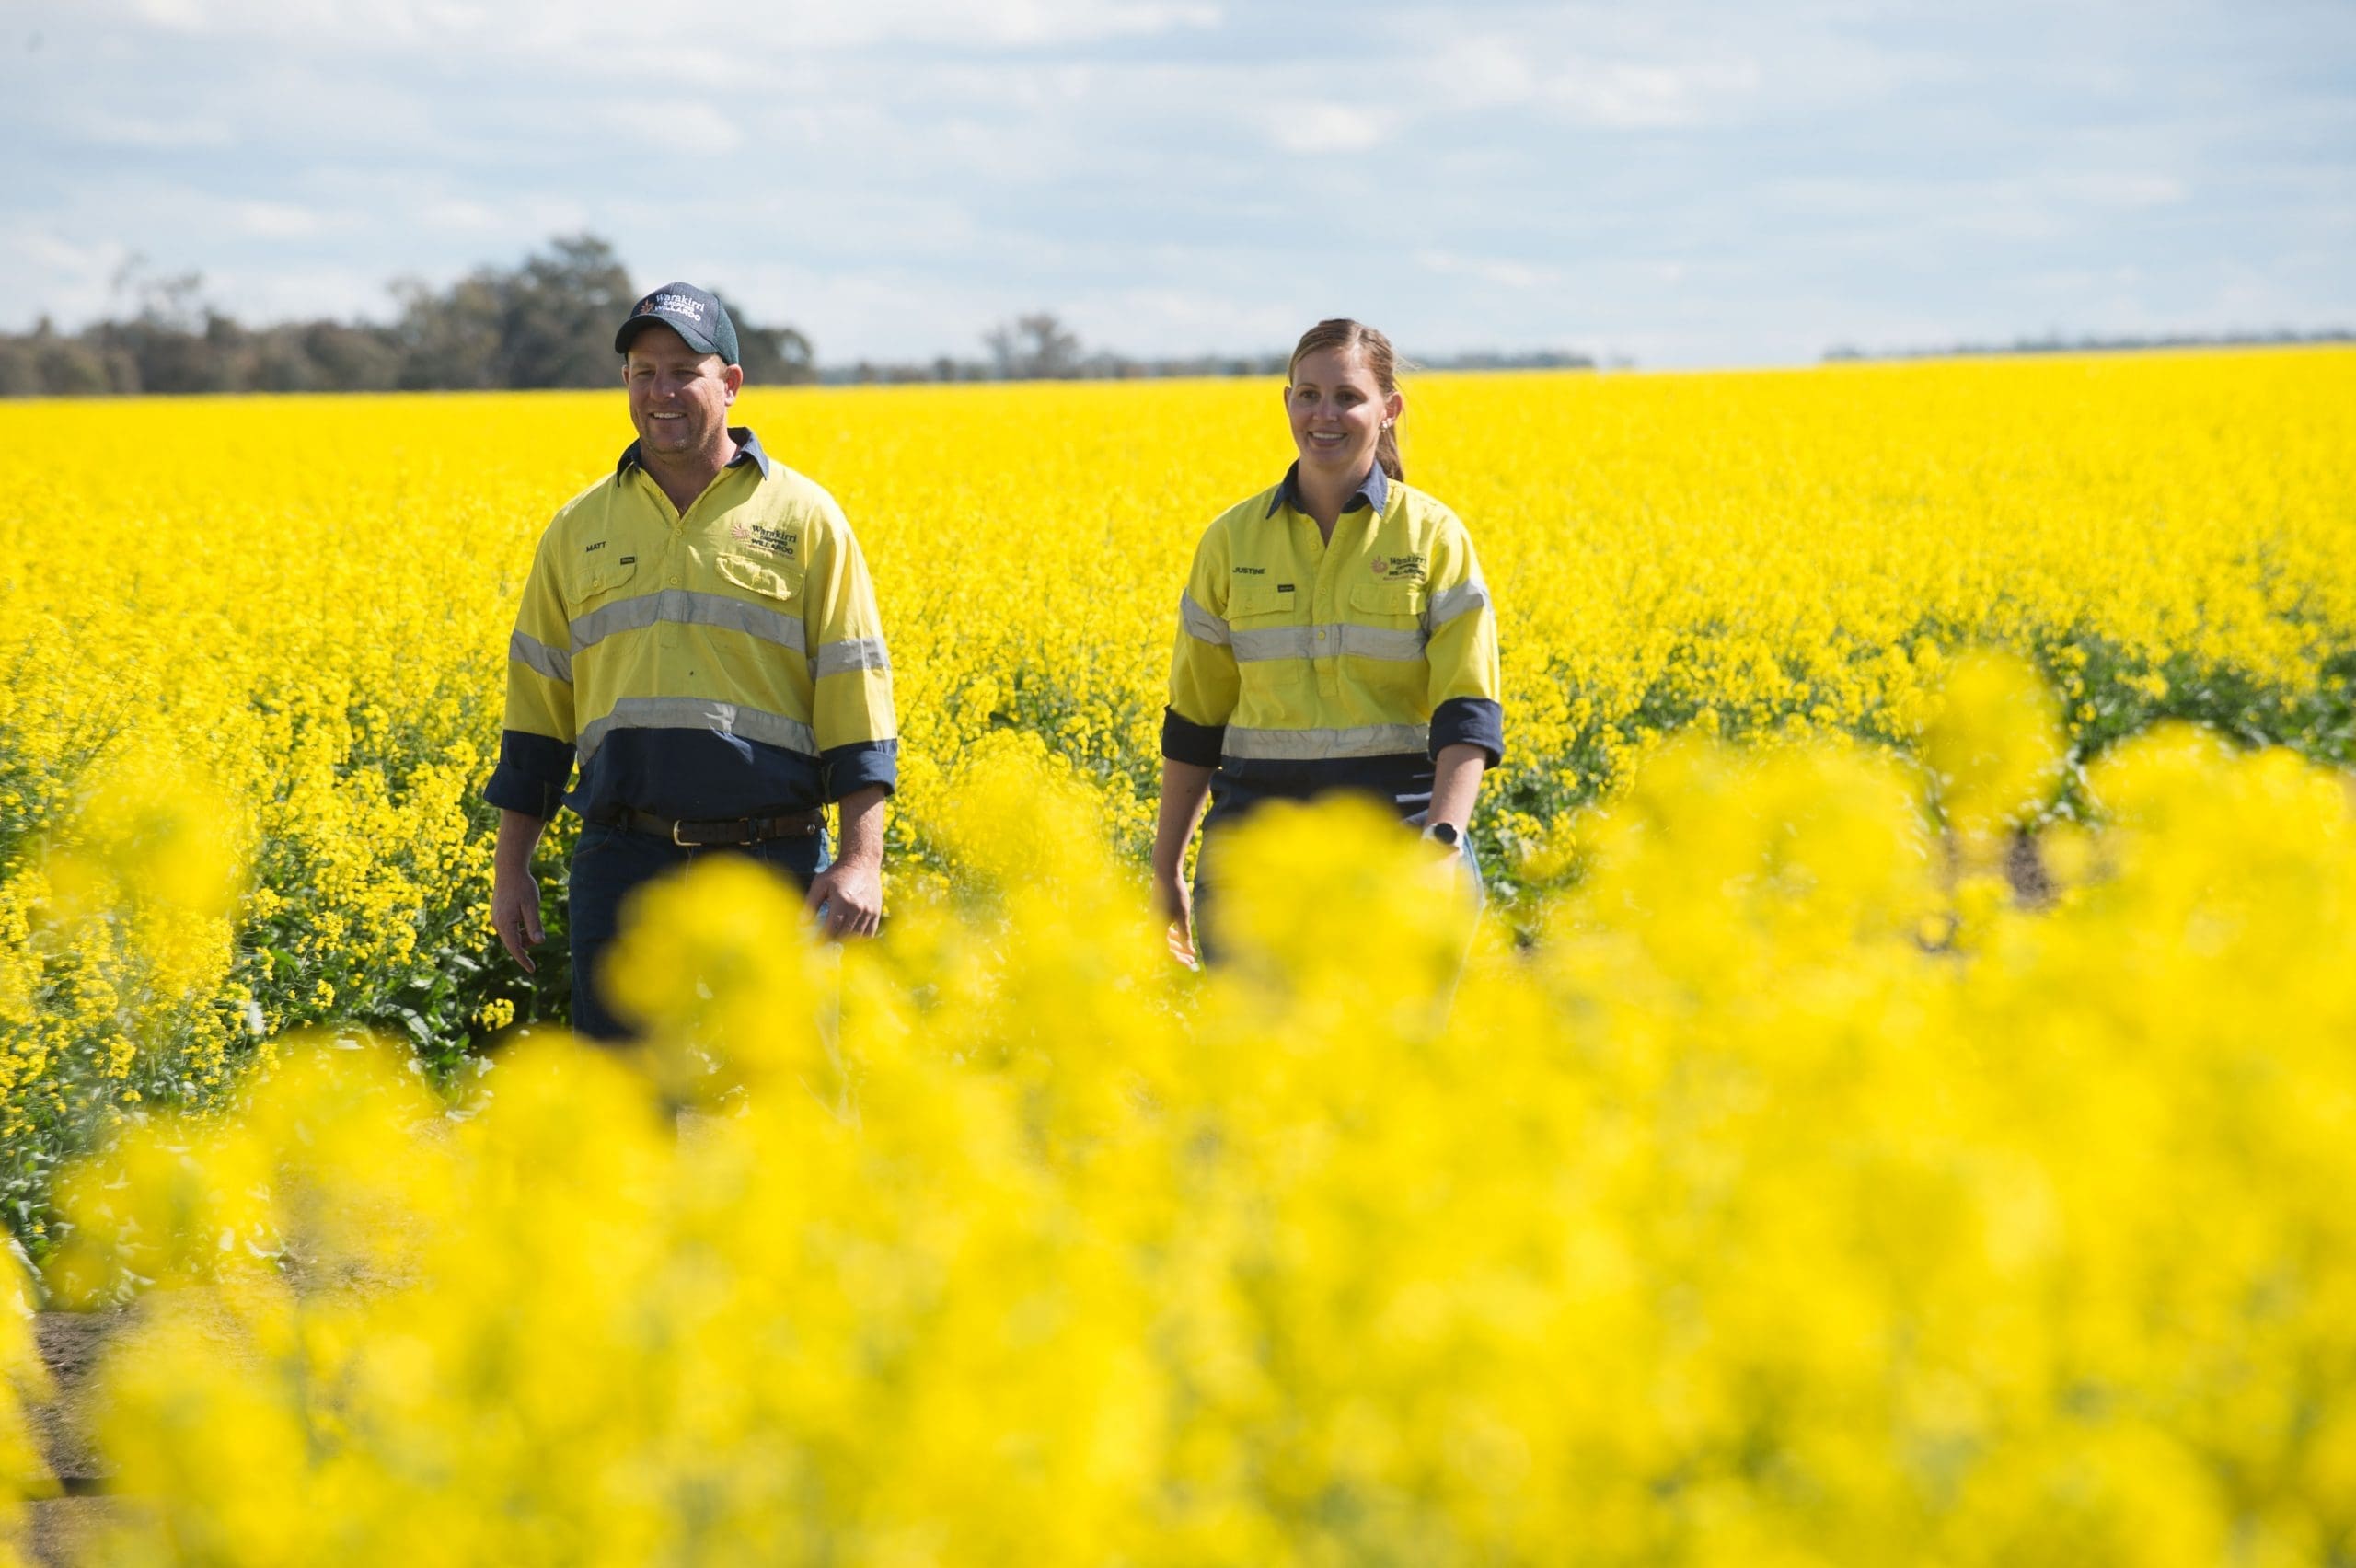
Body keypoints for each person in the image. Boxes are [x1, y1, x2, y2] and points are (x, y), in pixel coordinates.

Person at [486, 282, 896, 1041]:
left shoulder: (806, 519)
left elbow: (856, 699)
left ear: (731, 385)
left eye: (683, 370)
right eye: (643, 372)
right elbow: (537, 716)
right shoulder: (577, 528)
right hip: (622, 857)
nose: (661, 392)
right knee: (618, 1110)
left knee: (790, 1098)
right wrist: (513, 869)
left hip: (774, 858)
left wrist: (862, 859)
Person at [1151, 317, 1504, 963]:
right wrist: (1165, 868)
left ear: (1389, 409)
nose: (1325, 414)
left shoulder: (1432, 537)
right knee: (1258, 1061)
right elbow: (1196, 721)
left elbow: (1468, 713)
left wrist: (1441, 846)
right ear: (1286, 402)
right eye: (1308, 394)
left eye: (1348, 396)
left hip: (1398, 843)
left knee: (1398, 1061)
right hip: (1255, 854)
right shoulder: (1231, 542)